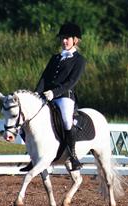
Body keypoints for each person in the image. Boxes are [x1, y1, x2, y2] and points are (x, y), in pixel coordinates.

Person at [35, 22, 86, 171]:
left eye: (67, 38)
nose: (64, 41)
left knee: (66, 120)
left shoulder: (79, 60)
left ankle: (73, 156)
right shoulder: (55, 58)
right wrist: (37, 94)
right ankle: (35, 151)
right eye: (62, 38)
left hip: (64, 96)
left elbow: (71, 82)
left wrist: (54, 92)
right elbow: (44, 78)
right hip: (47, 95)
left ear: (75, 40)